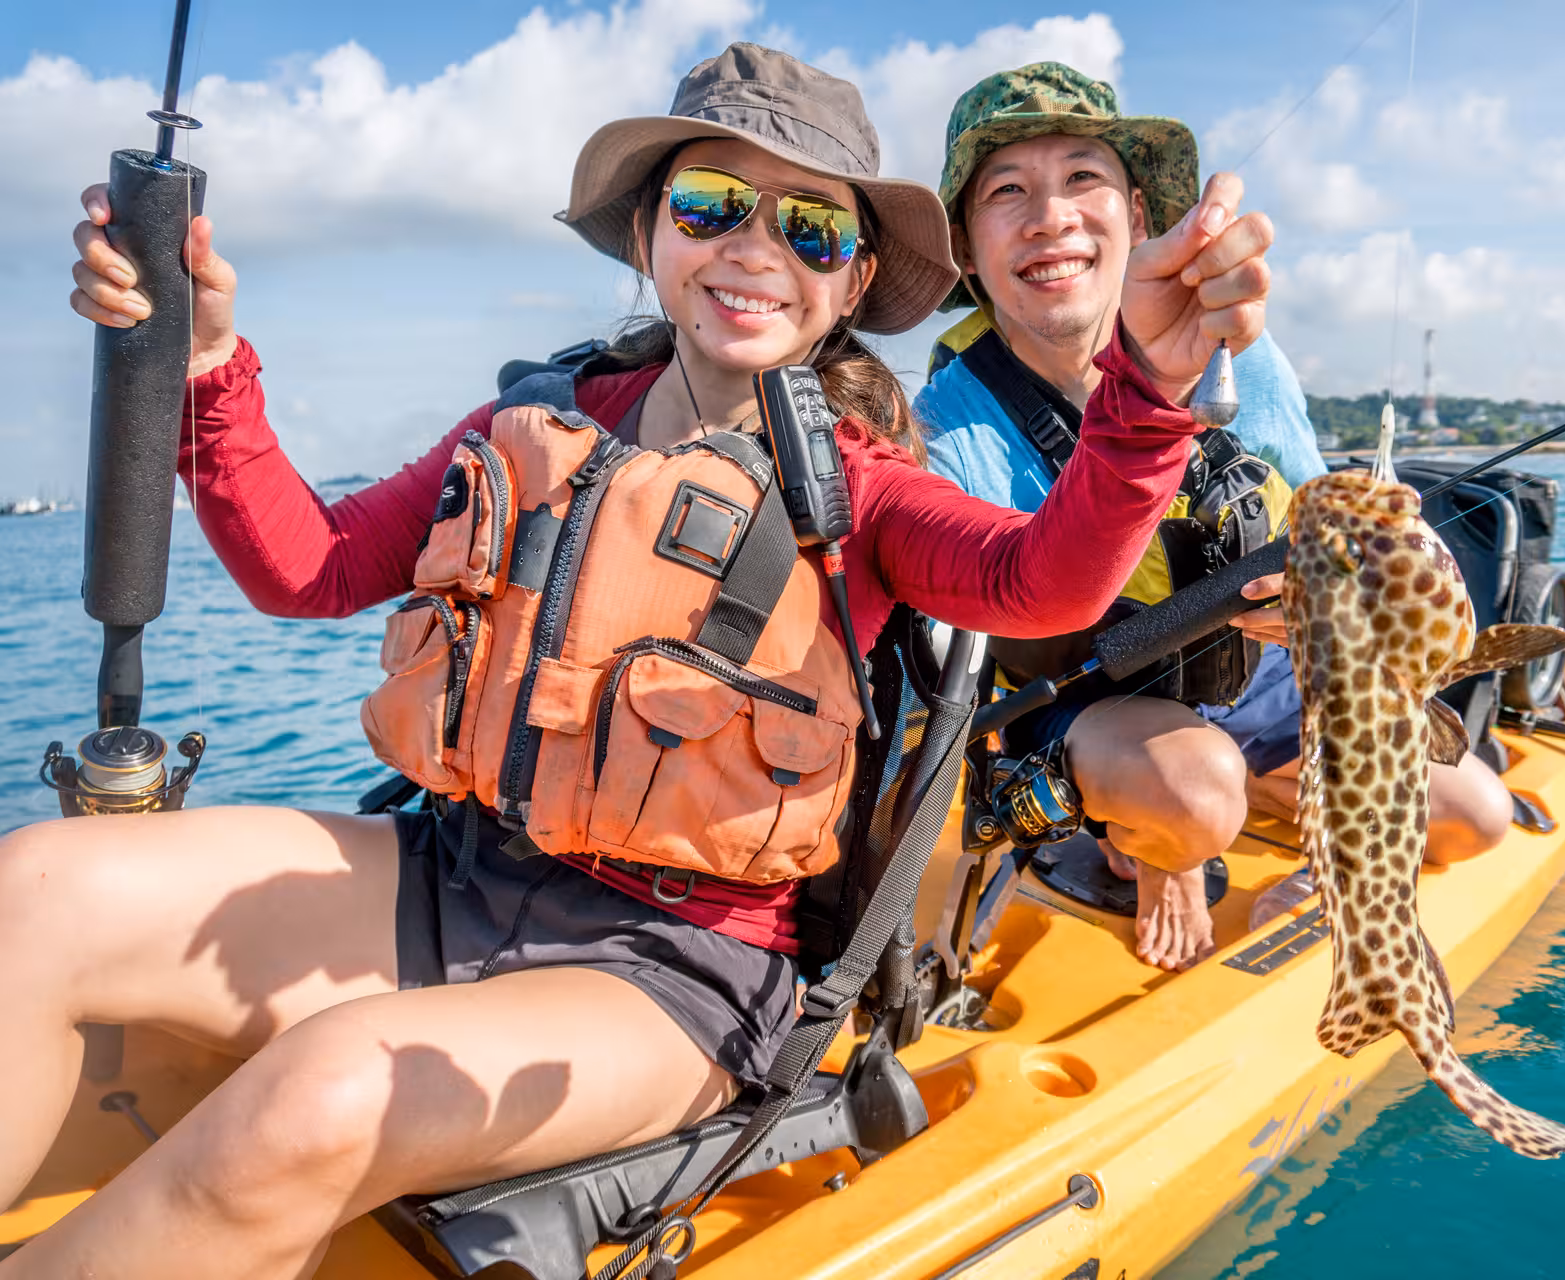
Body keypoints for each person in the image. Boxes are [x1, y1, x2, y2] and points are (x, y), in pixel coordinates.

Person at [17, 43, 1272, 1276]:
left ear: (851, 282)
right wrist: (201, 365)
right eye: (712, 204)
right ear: (649, 234)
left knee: (320, 1093)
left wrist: (1148, 385)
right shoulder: (540, 416)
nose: (753, 249)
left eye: (811, 230)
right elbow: (313, 568)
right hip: (456, 870)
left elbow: (1042, 574)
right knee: (40, 885)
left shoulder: (868, 488)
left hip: (675, 966)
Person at [915, 63, 1512, 971]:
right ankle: (1148, 844)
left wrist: (1326, 594)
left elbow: (1327, 519)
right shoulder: (946, 424)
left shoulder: (1240, 353)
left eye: (1084, 178)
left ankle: (1275, 808)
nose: (1052, 216)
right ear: (967, 248)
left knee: (1477, 815)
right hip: (1090, 698)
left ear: (1140, 217)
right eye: (1008, 191)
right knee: (1193, 798)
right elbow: (980, 625)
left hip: (1243, 668)